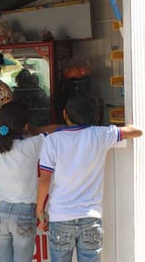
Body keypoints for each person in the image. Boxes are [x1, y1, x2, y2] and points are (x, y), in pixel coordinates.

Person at [36, 95, 143, 262]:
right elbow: (138, 131)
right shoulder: (100, 135)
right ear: (97, 116)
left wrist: (40, 211)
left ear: (65, 114)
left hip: (60, 217)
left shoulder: (53, 140)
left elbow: (44, 180)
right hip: (90, 218)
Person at [0, 101, 53, 262]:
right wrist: (35, 131)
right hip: (24, 212)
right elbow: (56, 130)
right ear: (26, 125)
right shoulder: (32, 144)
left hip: (1, 212)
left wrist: (0, 130)